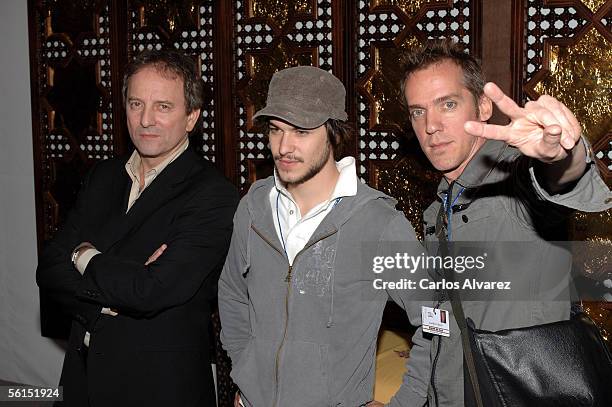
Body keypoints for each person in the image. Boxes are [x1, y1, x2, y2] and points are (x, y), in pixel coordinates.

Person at [394, 39, 612, 406]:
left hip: (530, 390)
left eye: (447, 104)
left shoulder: (515, 174)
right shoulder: (436, 211)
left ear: (482, 107)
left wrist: (562, 155)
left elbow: (559, 177)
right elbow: (437, 324)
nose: (431, 125)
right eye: (418, 112)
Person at [218, 66, 431, 407]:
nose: (284, 146)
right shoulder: (254, 207)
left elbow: (436, 318)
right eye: (275, 130)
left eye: (301, 131)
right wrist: (247, 369)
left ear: (333, 133)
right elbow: (231, 293)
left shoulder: (377, 224)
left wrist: (405, 403)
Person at [36, 49, 238, 406]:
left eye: (163, 107)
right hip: (81, 380)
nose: (146, 120)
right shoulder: (102, 177)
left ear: (191, 117)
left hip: (158, 386)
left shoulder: (213, 194)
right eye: (135, 104)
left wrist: (84, 256)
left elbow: (151, 290)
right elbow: (50, 268)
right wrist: (114, 294)